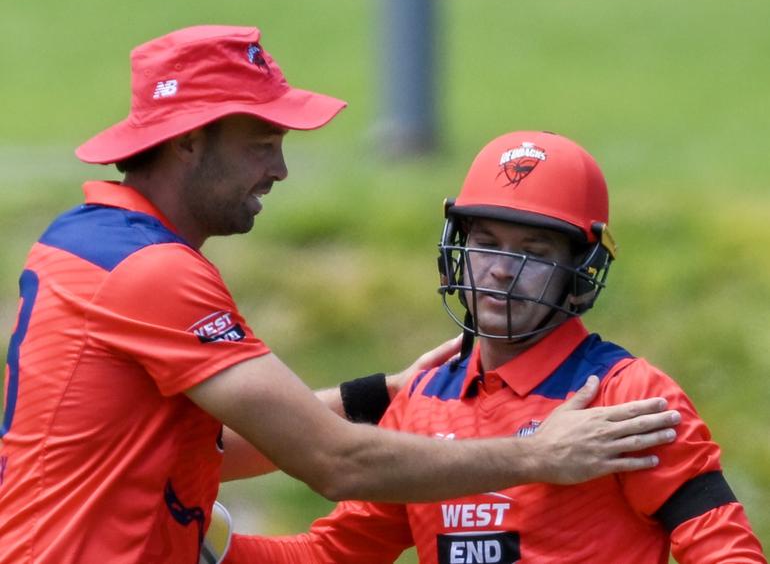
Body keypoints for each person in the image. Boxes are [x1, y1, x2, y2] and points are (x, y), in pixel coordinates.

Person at [0, 26, 681, 564]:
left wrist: (389, 393)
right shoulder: (154, 272)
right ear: (188, 142)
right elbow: (335, 461)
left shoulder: (82, 241)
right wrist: (536, 454)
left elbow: (214, 449)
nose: (281, 168)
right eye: (263, 143)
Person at [225, 131, 766, 563]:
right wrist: (208, 544)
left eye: (534, 251)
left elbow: (724, 548)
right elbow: (332, 554)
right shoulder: (421, 399)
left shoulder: (628, 395)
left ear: (580, 270)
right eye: (486, 244)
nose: (503, 270)